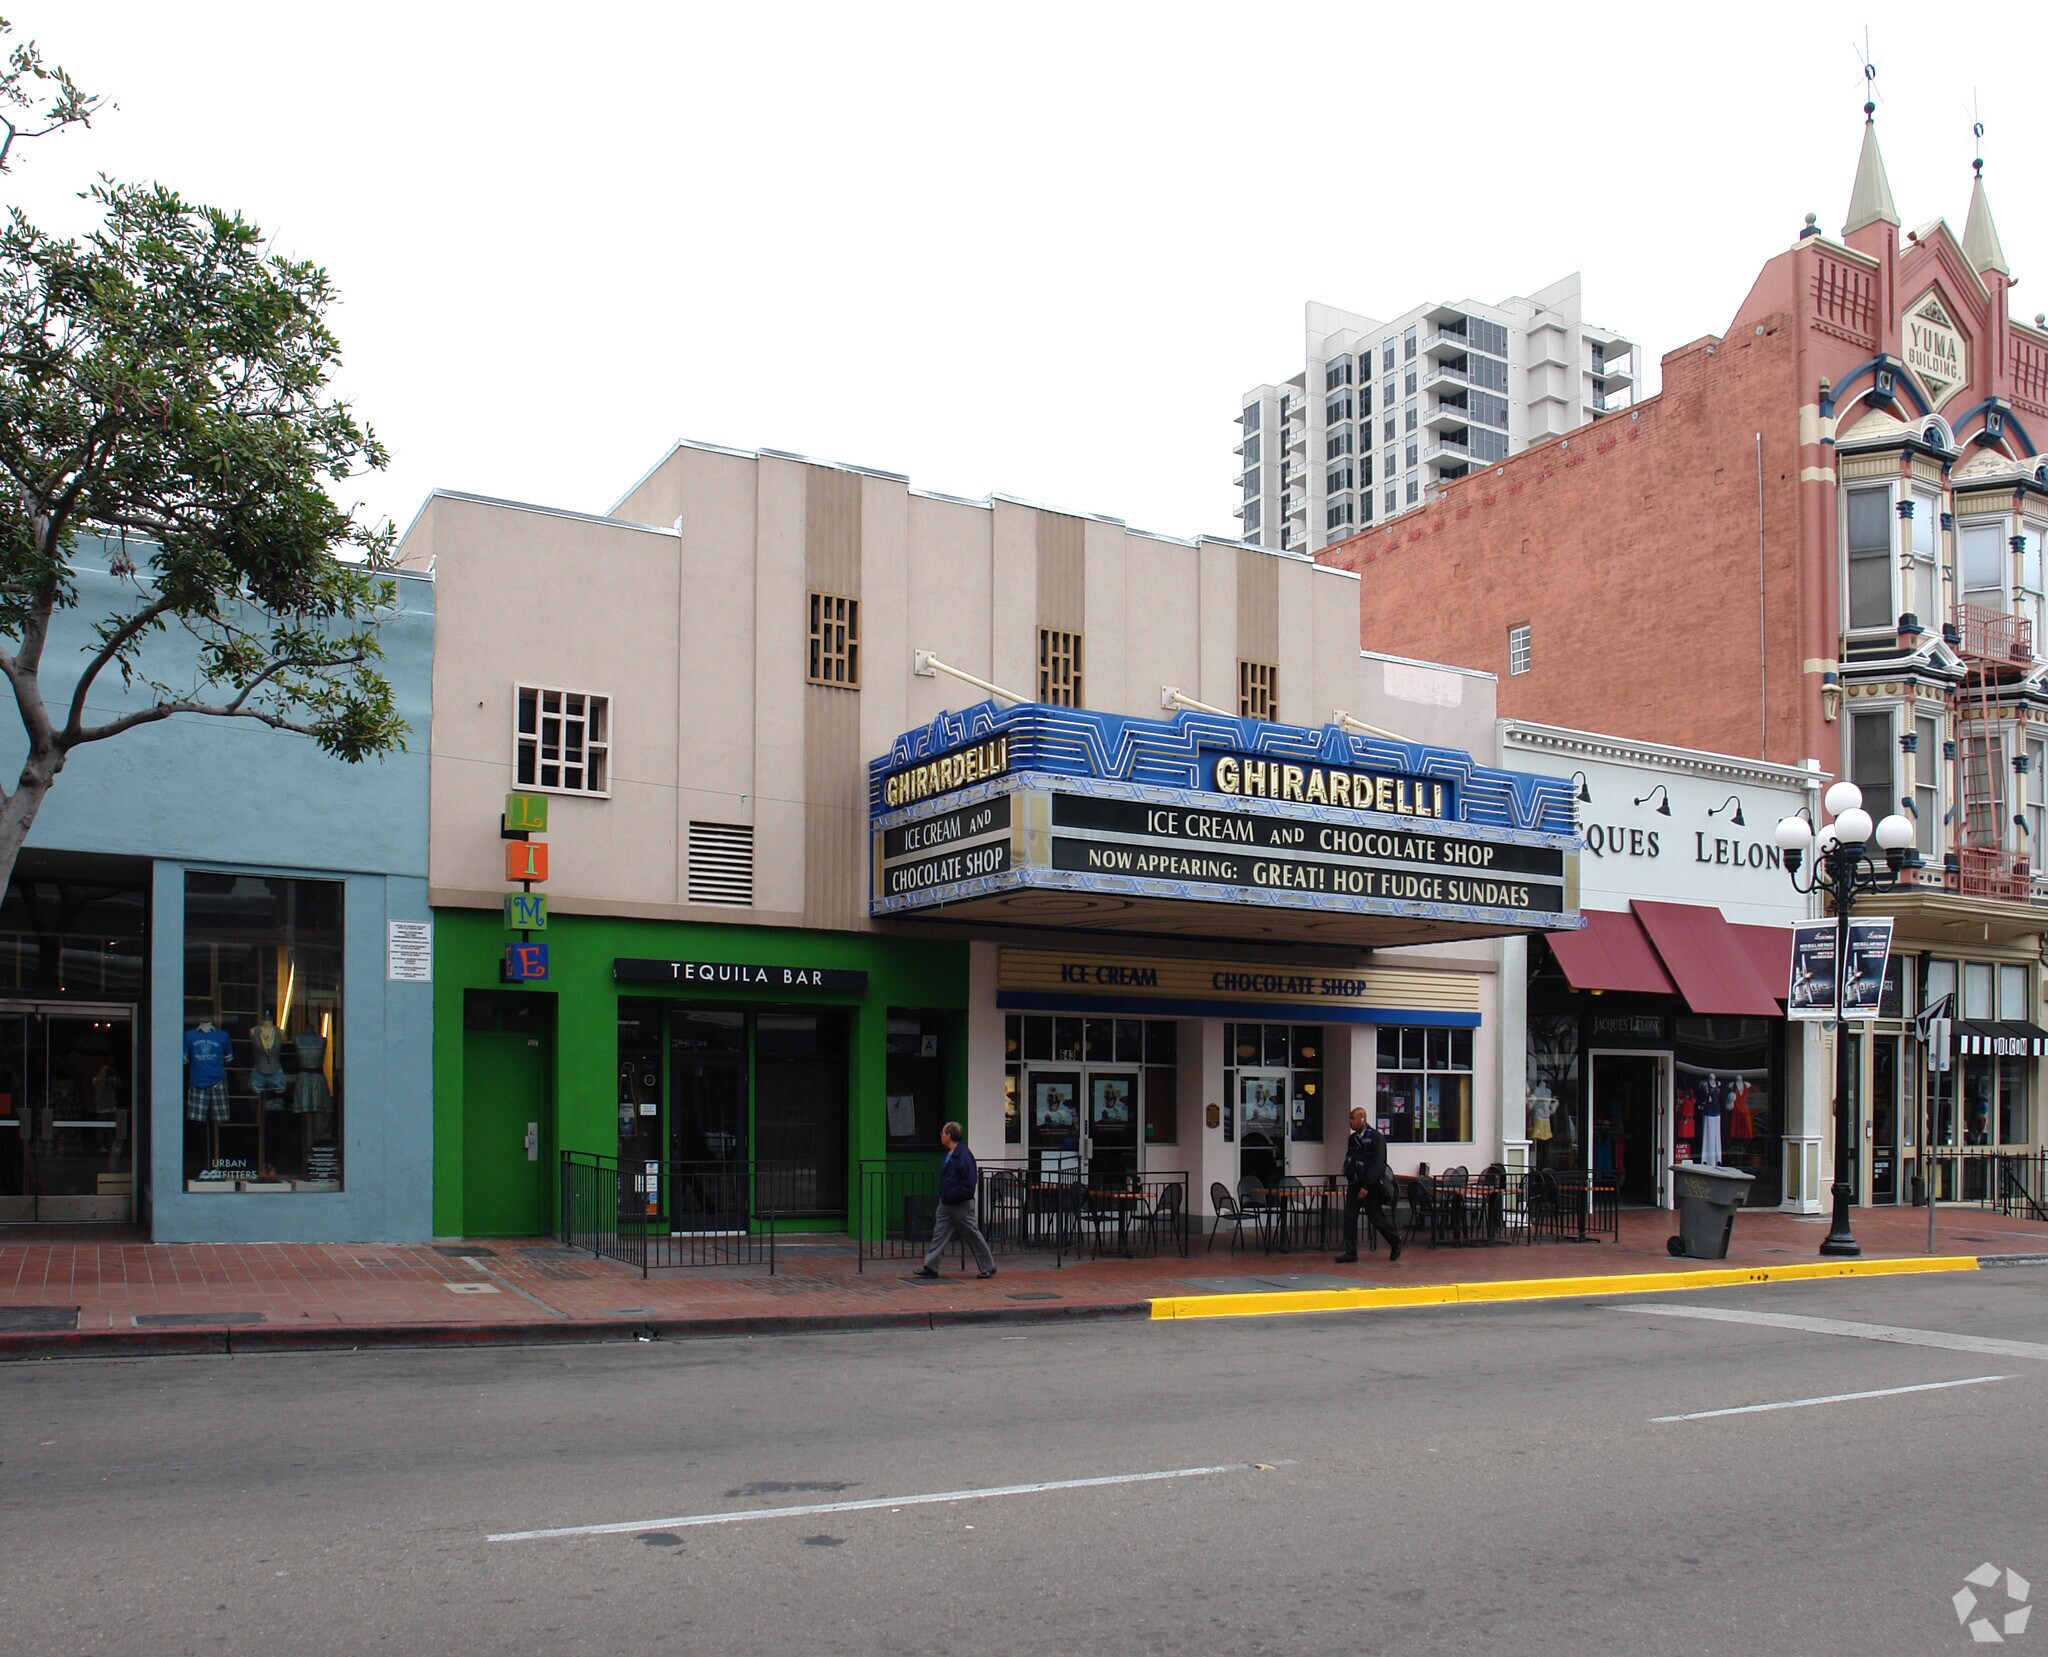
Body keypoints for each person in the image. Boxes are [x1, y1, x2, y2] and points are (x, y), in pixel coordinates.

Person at [915, 1120, 996, 1280]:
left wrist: (953, 1194)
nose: (941, 1136)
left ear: (949, 1136)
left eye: (943, 1133)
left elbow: (969, 1183)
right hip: (947, 1202)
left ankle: (988, 1266)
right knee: (939, 1233)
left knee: (972, 1233)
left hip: (960, 1203)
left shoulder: (964, 1156)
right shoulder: (950, 1154)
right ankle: (931, 1266)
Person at [1335, 1105, 1401, 1264]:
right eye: (1350, 1119)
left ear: (1362, 1119)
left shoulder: (1376, 1138)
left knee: (1376, 1217)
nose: (1351, 1122)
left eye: (1353, 1119)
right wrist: (1348, 1173)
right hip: (1354, 1183)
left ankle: (1395, 1240)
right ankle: (1351, 1252)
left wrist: (1366, 1186)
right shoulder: (1353, 1139)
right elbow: (1350, 1159)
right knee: (1349, 1217)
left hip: (1370, 1186)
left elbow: (1378, 1165)